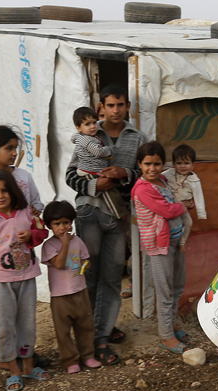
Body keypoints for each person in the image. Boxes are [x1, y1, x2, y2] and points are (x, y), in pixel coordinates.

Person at [64, 84, 147, 365]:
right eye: (110, 105)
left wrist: (126, 172)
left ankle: (100, 335)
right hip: (90, 211)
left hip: (118, 216)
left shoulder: (136, 137)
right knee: (89, 275)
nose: (115, 110)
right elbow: (69, 175)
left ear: (127, 106)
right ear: (102, 107)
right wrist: (92, 184)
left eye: (120, 105)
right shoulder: (87, 132)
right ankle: (88, 337)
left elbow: (145, 173)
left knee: (112, 278)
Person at [0, 170, 51, 391]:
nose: (0, 196)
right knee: (4, 327)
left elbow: (42, 232)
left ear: (13, 191)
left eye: (4, 190)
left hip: (27, 278)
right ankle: (13, 371)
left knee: (27, 324)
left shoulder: (27, 213)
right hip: (0, 282)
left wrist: (31, 236)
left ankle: (28, 366)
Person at [131, 142, 193, 354]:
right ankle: (166, 336)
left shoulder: (164, 180)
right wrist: (184, 206)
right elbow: (166, 211)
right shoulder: (143, 189)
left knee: (177, 285)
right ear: (139, 164)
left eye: (157, 163)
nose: (152, 168)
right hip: (159, 245)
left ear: (163, 164)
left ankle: (170, 324)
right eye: (147, 164)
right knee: (165, 290)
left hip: (174, 240)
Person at [41, 200, 104, 374]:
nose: (62, 227)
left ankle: (87, 355)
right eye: (57, 224)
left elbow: (84, 258)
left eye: (66, 223)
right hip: (60, 295)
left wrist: (86, 264)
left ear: (72, 222)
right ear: (49, 226)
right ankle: (70, 360)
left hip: (80, 290)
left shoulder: (78, 241)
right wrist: (65, 244)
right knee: (63, 331)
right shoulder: (50, 245)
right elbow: (59, 264)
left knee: (85, 326)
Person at [160, 144, 207, 250]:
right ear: (173, 164)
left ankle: (182, 242)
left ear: (193, 165)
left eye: (186, 163)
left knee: (188, 222)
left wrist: (201, 214)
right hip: (169, 205)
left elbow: (198, 197)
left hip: (182, 207)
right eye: (179, 163)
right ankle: (165, 242)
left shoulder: (194, 180)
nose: (182, 166)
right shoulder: (169, 173)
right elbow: (159, 177)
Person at [70, 107, 112, 182]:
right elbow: (98, 152)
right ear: (78, 128)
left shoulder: (91, 137)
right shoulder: (85, 139)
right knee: (109, 191)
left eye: (94, 122)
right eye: (87, 124)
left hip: (94, 171)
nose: (92, 126)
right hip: (89, 172)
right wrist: (109, 149)